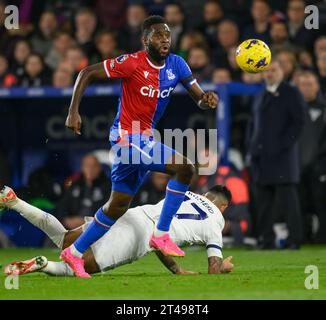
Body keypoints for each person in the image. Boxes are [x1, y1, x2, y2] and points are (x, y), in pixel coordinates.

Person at [62, 15, 218, 277]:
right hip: (127, 136)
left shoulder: (177, 64)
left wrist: (207, 100)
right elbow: (86, 72)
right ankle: (161, 233)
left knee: (118, 205)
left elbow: (199, 99)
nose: (165, 39)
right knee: (185, 168)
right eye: (158, 35)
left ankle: (74, 252)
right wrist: (72, 112)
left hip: (144, 138)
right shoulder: (132, 62)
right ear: (145, 40)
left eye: (167, 35)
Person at [1, 185, 234, 276]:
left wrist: (176, 270)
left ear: (206, 195)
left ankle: (14, 201)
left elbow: (162, 239)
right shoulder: (216, 220)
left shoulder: (186, 193)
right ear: (223, 207)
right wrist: (221, 268)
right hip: (139, 236)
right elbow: (213, 269)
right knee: (77, 269)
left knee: (64, 239)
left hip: (130, 214)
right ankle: (43, 264)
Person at [247, 60, 305, 249]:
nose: (270, 73)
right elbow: (253, 124)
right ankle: (266, 239)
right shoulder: (260, 95)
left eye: (274, 70)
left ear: (282, 71)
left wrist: (283, 145)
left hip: (283, 157)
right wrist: (252, 147)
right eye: (266, 71)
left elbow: (299, 122)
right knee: (263, 202)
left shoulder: (291, 92)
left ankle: (295, 239)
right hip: (261, 157)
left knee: (288, 200)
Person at [297, 71, 326, 243]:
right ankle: (303, 237)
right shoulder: (292, 111)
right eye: (303, 84)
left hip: (320, 166)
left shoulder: (323, 110)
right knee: (300, 204)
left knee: (322, 205)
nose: (306, 88)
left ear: (317, 87)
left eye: (310, 84)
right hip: (297, 167)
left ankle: (322, 238)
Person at [56, 154, 111, 230]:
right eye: (87, 166)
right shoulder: (73, 184)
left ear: (99, 168)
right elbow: (62, 206)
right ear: (82, 168)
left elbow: (109, 211)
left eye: (94, 166)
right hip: (72, 226)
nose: (90, 169)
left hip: (97, 227)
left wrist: (89, 222)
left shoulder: (108, 186)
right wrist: (66, 220)